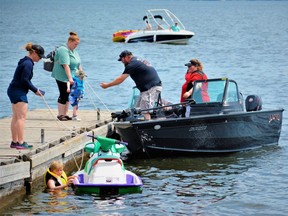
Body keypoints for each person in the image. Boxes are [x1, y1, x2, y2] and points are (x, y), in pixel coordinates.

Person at [100, 50, 162, 120]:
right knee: (137, 109)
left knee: (145, 110)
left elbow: (120, 79)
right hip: (149, 88)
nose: (122, 62)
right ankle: (139, 123)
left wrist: (107, 85)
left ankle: (148, 125)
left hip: (151, 88)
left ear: (126, 57)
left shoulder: (132, 64)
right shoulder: (138, 60)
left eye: (122, 60)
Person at [7, 42, 45, 149]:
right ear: (33, 53)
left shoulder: (24, 61)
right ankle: (20, 142)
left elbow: (24, 80)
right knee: (21, 118)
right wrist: (35, 90)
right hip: (19, 92)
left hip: (13, 90)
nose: (40, 59)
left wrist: (34, 89)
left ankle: (15, 142)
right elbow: (25, 80)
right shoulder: (28, 64)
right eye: (39, 56)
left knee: (16, 117)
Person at [51, 32, 83, 121]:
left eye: (77, 44)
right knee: (63, 93)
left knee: (69, 94)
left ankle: (65, 114)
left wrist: (81, 74)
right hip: (62, 75)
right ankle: (60, 115)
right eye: (75, 44)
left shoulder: (74, 51)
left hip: (72, 75)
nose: (76, 46)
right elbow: (65, 65)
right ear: (70, 41)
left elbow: (78, 63)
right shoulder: (63, 50)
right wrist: (69, 78)